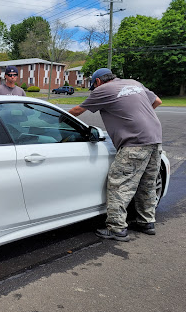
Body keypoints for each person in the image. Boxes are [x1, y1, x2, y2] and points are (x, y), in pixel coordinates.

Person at [68, 68, 162, 242]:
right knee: (146, 183)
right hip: (155, 139)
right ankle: (146, 222)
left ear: (97, 82)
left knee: (119, 183)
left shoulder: (103, 90)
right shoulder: (134, 83)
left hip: (134, 143)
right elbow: (157, 101)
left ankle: (117, 228)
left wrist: (56, 119)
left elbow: (77, 111)